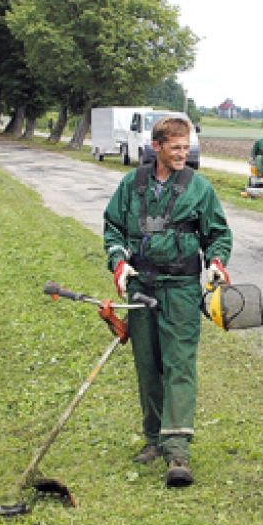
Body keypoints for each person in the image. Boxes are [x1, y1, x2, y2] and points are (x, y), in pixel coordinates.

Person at [103, 116, 232, 487]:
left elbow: (218, 234)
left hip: (181, 289)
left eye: (186, 146)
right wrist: (119, 262)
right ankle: (154, 439)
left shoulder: (199, 188)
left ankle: (178, 450)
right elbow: (112, 227)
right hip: (141, 287)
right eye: (175, 147)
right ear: (156, 146)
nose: (183, 153)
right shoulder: (131, 185)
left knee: (179, 364)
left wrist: (216, 265)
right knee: (148, 365)